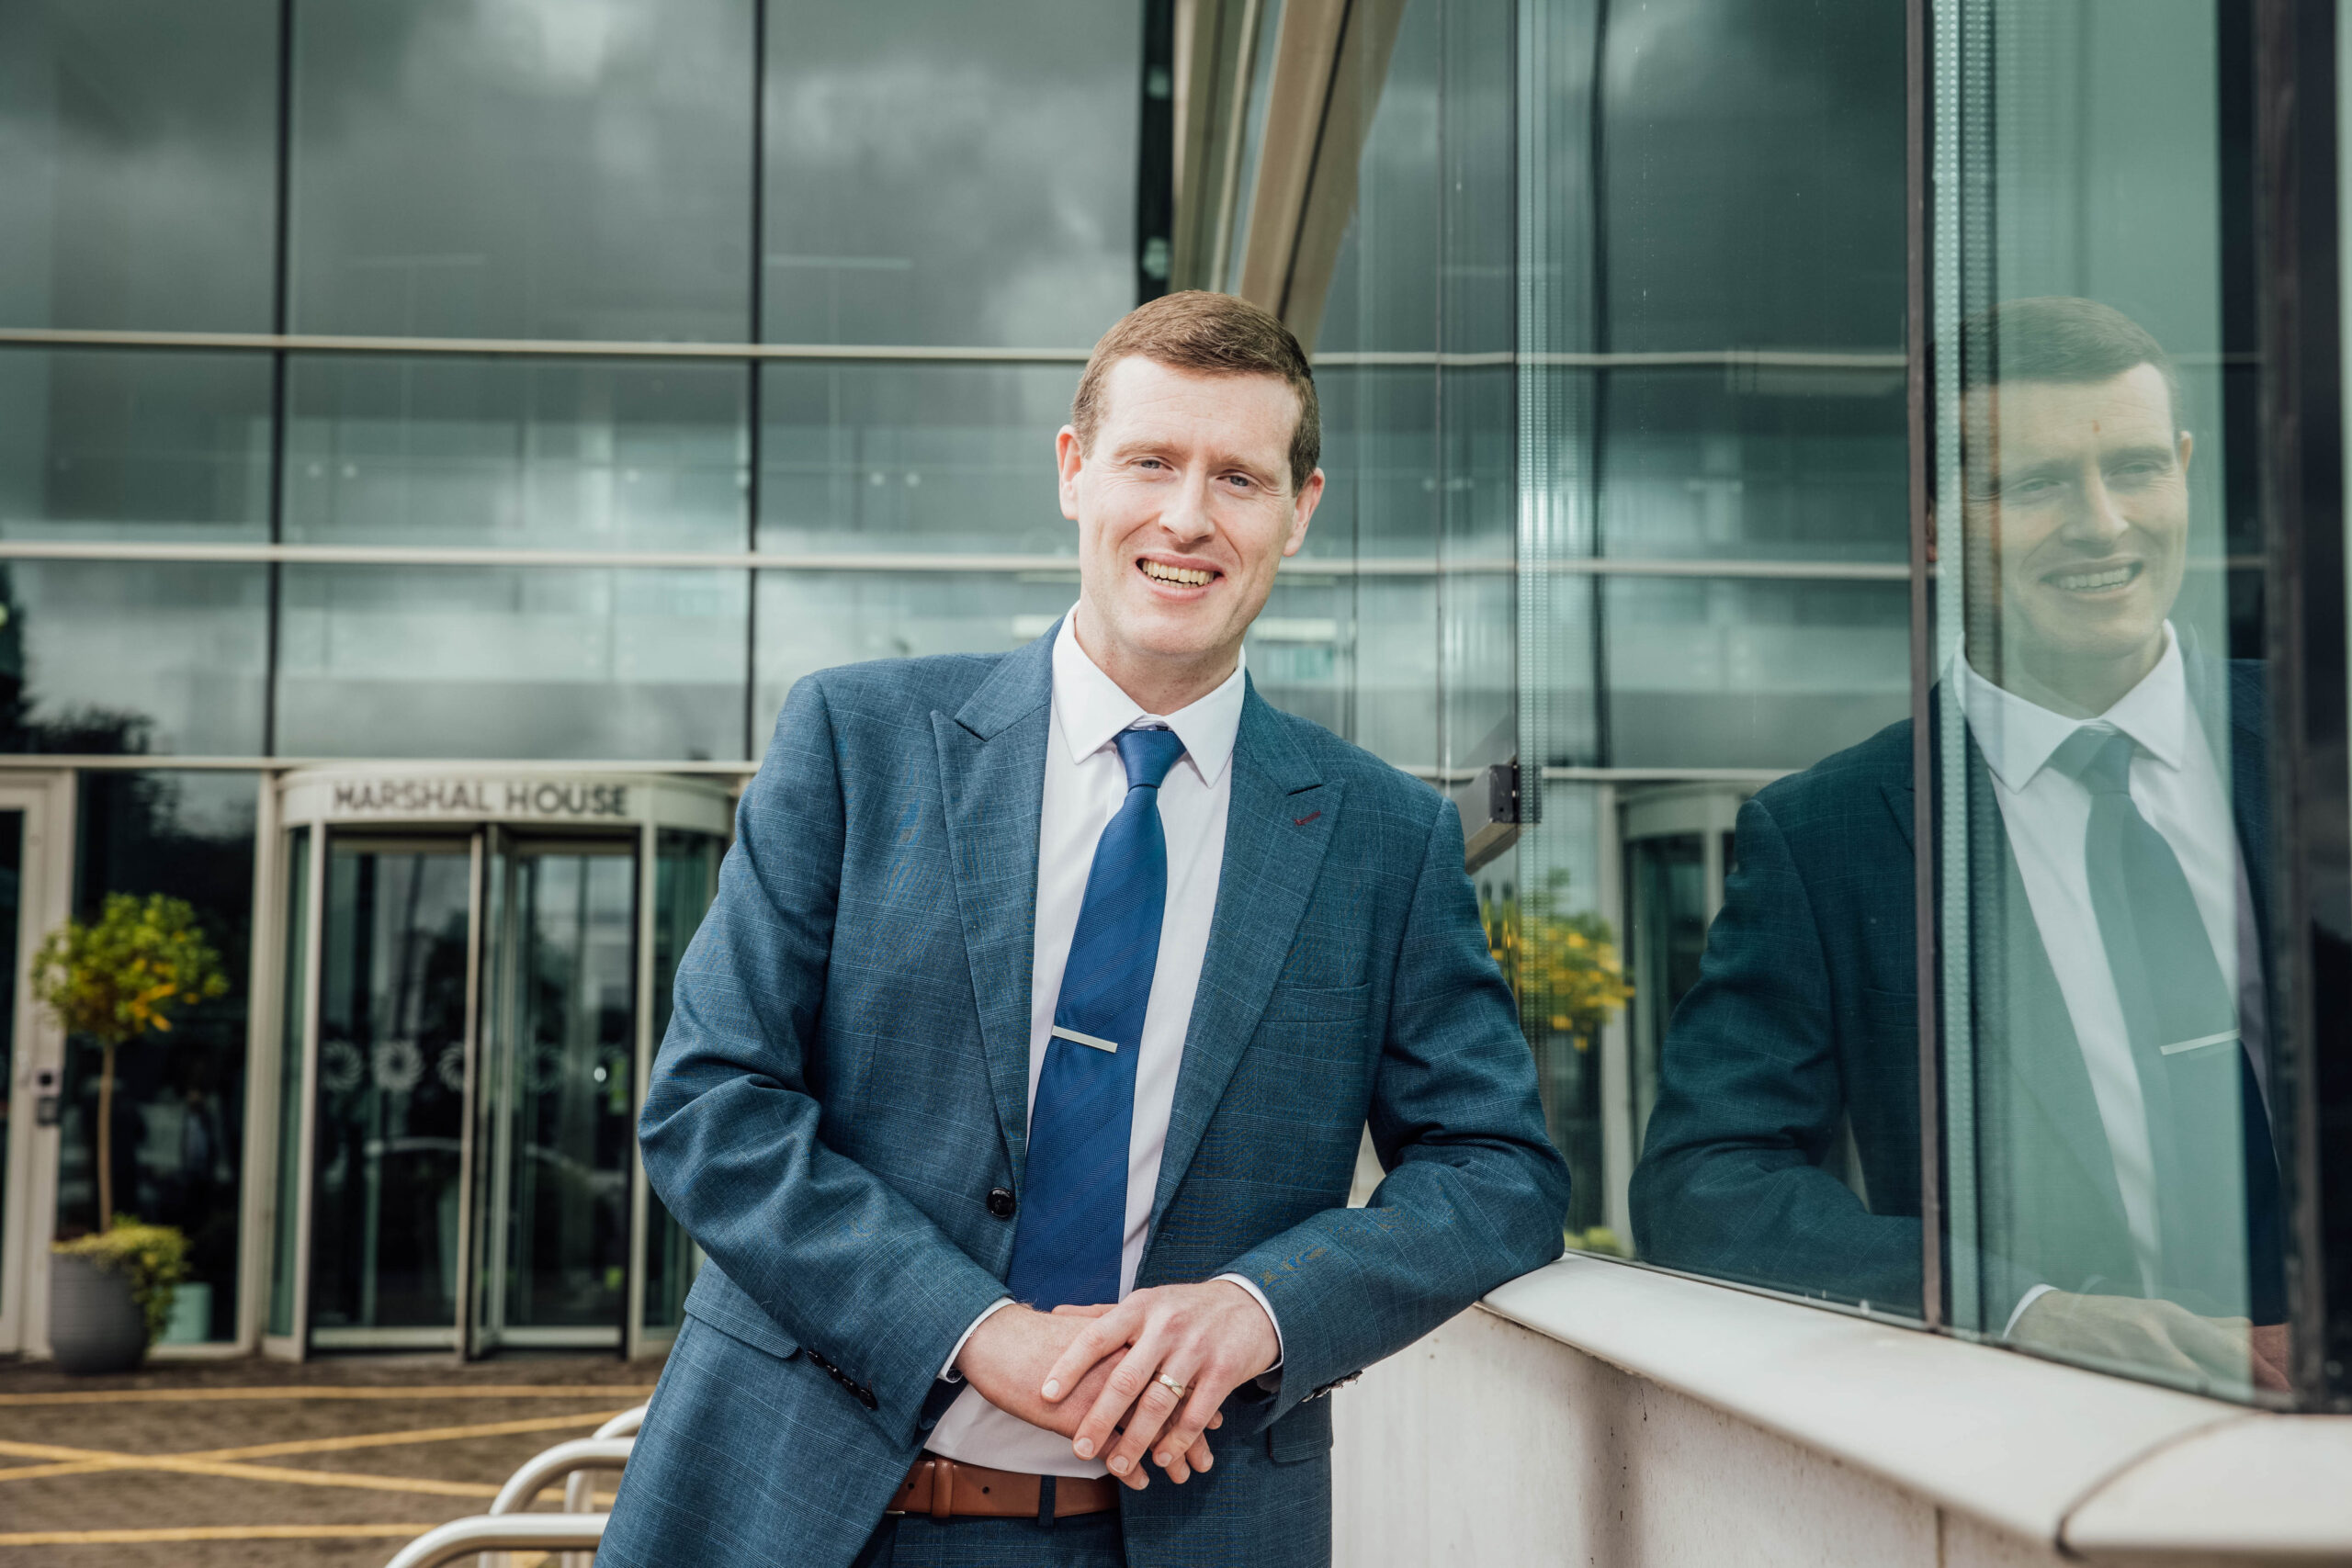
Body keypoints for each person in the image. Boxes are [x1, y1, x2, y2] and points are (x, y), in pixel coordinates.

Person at [598, 290, 1570, 1568]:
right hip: (803, 1509)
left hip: (1181, 1528)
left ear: (1301, 508)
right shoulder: (856, 739)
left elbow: (1498, 1169)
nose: (1187, 517)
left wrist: (1260, 1307)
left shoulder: (1386, 838)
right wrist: (976, 1326)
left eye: (1239, 476)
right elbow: (713, 1102)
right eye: (1151, 461)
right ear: (1074, 471)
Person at [1631, 296, 2287, 1393]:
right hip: (2049, 1454)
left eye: (2133, 468)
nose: (2102, 523)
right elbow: (1706, 1181)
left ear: (2184, 470)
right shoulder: (1825, 837)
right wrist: (2019, 1311)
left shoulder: (2327, 749)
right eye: (2033, 485)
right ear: (1932, 521)